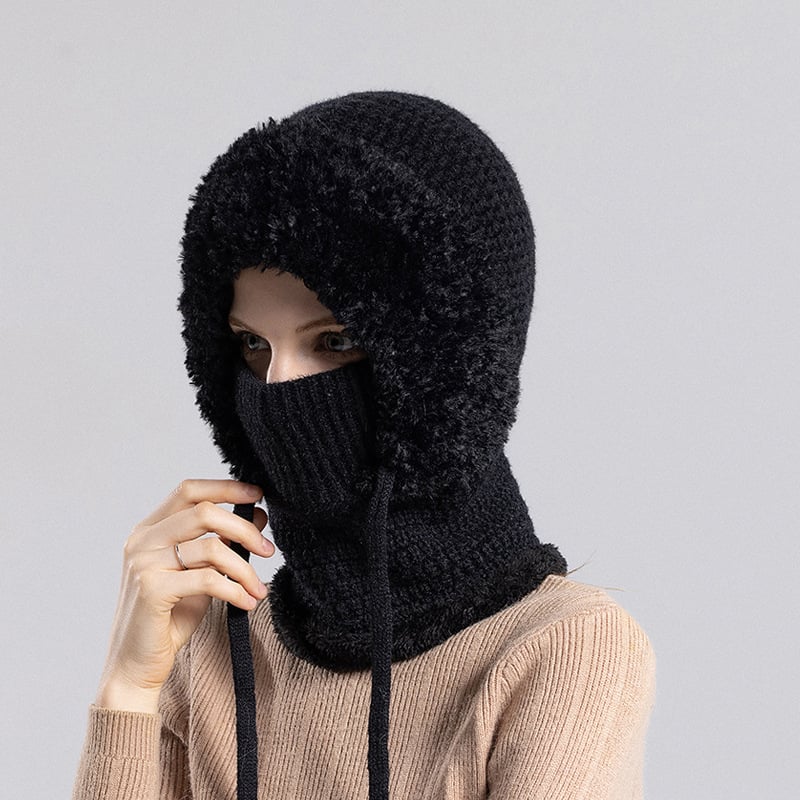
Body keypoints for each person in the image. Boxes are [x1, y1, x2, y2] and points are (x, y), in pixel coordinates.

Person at [72, 90, 656, 800]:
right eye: (251, 344)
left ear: (447, 367)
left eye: (335, 339)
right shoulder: (212, 646)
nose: (279, 385)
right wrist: (128, 690)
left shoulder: (563, 648)